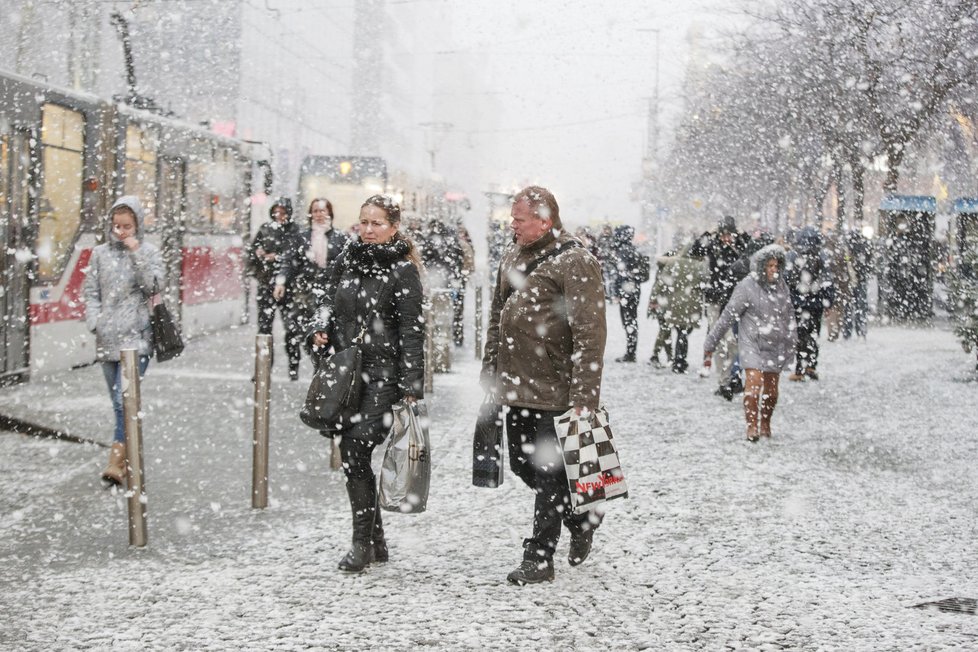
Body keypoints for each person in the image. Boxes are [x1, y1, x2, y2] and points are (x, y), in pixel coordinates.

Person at [481, 185, 607, 585]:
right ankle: (579, 514)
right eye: (512, 218)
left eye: (519, 219)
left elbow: (591, 332)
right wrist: (490, 372)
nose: (512, 225)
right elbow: (498, 317)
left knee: (549, 470)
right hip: (515, 383)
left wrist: (584, 396)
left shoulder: (576, 262)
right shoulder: (512, 257)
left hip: (555, 388)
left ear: (545, 220)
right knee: (521, 462)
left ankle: (539, 556)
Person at [308, 195, 425, 573]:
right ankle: (375, 541)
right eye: (364, 222)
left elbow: (412, 330)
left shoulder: (403, 270)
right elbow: (327, 299)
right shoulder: (348, 258)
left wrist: (411, 384)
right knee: (352, 454)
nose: (369, 230)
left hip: (383, 377)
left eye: (377, 223)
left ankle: (362, 542)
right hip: (348, 374)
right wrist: (321, 325)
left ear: (393, 227)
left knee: (358, 447)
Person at [83, 196, 164, 485]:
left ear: (138, 225)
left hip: (137, 339)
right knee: (118, 404)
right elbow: (91, 291)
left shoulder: (150, 252)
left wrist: (136, 253)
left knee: (123, 400)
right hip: (107, 338)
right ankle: (128, 458)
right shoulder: (99, 254)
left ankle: (115, 462)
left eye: (127, 226)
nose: (121, 232)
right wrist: (95, 321)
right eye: (116, 226)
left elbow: (154, 287)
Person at [703, 244, 796, 441]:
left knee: (771, 391)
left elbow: (788, 316)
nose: (774, 269)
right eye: (770, 266)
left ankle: (765, 422)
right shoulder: (746, 286)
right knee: (753, 384)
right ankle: (751, 425)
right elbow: (728, 316)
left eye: (777, 265)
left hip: (774, 344)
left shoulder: (781, 287)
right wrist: (711, 342)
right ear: (761, 267)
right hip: (751, 342)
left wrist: (790, 341)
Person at [274, 197, 349, 359]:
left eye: (323, 210)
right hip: (304, 294)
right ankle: (308, 359)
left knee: (325, 334)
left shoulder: (341, 238)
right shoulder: (301, 237)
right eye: (315, 211)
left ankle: (321, 363)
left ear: (330, 213)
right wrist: (281, 282)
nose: (319, 214)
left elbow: (347, 267)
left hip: (330, 294)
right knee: (298, 330)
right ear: (310, 214)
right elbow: (289, 262)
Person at [689, 215, 750, 399]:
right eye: (723, 234)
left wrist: (741, 238)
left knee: (734, 342)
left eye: (728, 235)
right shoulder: (712, 245)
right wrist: (708, 234)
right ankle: (724, 381)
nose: (726, 238)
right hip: (716, 300)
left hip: (735, 299)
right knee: (721, 341)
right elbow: (695, 250)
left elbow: (751, 253)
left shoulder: (739, 245)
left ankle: (733, 378)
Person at [247, 197, 303, 379]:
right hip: (266, 285)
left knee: (291, 328)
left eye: (283, 212)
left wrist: (277, 258)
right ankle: (263, 369)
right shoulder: (265, 229)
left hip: (289, 287)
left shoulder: (295, 231)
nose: (279, 216)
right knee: (264, 329)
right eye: (276, 212)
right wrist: (259, 255)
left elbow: (295, 257)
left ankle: (293, 366)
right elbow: (252, 254)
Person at [649, 243, 706, 373]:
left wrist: (654, 299)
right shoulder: (700, 266)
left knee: (678, 329)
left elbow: (661, 282)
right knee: (684, 332)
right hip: (693, 303)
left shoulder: (673, 263)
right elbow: (704, 284)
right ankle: (680, 360)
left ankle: (676, 359)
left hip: (674, 302)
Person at [784, 226, 831, 381]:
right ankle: (811, 365)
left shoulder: (792, 255)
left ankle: (800, 369)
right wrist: (828, 301)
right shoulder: (822, 255)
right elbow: (827, 280)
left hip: (798, 303)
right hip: (816, 303)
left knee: (800, 335)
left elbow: (786, 278)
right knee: (813, 333)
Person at [611, 225, 651, 362]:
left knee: (628, 321)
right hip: (634, 290)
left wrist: (617, 292)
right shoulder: (633, 250)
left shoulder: (622, 251)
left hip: (626, 291)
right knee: (631, 320)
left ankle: (630, 352)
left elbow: (620, 274)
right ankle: (631, 350)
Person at [454, 225, 476, 346]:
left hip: (458, 279)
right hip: (457, 279)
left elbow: (470, 262)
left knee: (458, 308)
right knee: (458, 308)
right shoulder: (460, 244)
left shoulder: (464, 244)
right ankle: (457, 335)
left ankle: (457, 335)